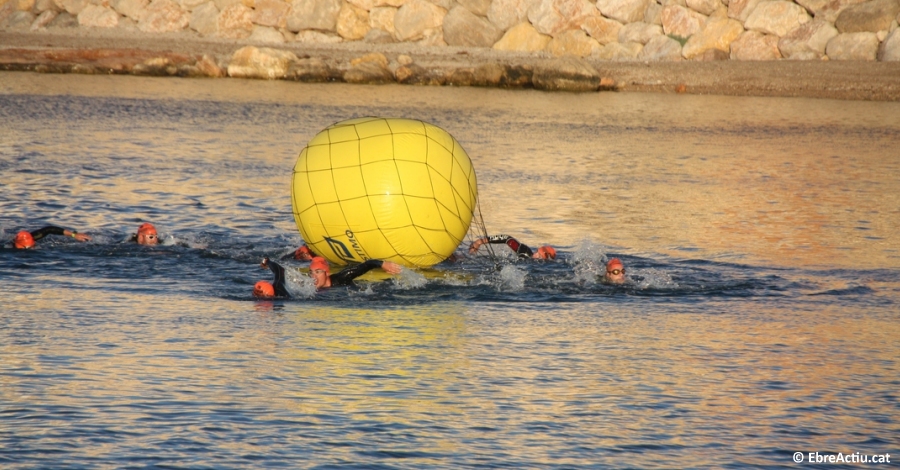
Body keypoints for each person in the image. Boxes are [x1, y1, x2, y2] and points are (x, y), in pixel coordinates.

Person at [253, 256, 403, 298]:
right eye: (312, 272)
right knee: (279, 285)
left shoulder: (340, 279)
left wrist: (382, 264)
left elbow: (364, 266)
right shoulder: (306, 285)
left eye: (318, 272)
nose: (313, 276)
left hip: (361, 291)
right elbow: (280, 271)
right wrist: (268, 262)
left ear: (327, 273)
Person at [468, 235, 556, 260]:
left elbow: (507, 239)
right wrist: (481, 241)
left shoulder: (526, 253)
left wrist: (480, 242)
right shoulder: (526, 252)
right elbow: (508, 239)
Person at [10, 225, 91, 249]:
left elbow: (49, 229)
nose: (34, 246)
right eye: (32, 246)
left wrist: (74, 235)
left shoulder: (31, 237)